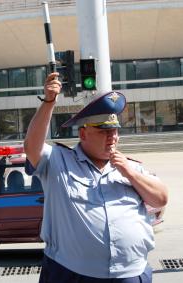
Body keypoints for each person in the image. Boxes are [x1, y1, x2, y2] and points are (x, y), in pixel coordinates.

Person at [24, 72, 168, 283]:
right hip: (73, 274)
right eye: (104, 131)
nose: (112, 137)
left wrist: (129, 172)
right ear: (83, 134)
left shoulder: (130, 166)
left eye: (115, 130)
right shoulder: (59, 160)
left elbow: (161, 198)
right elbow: (32, 147)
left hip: (131, 273)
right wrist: (49, 102)